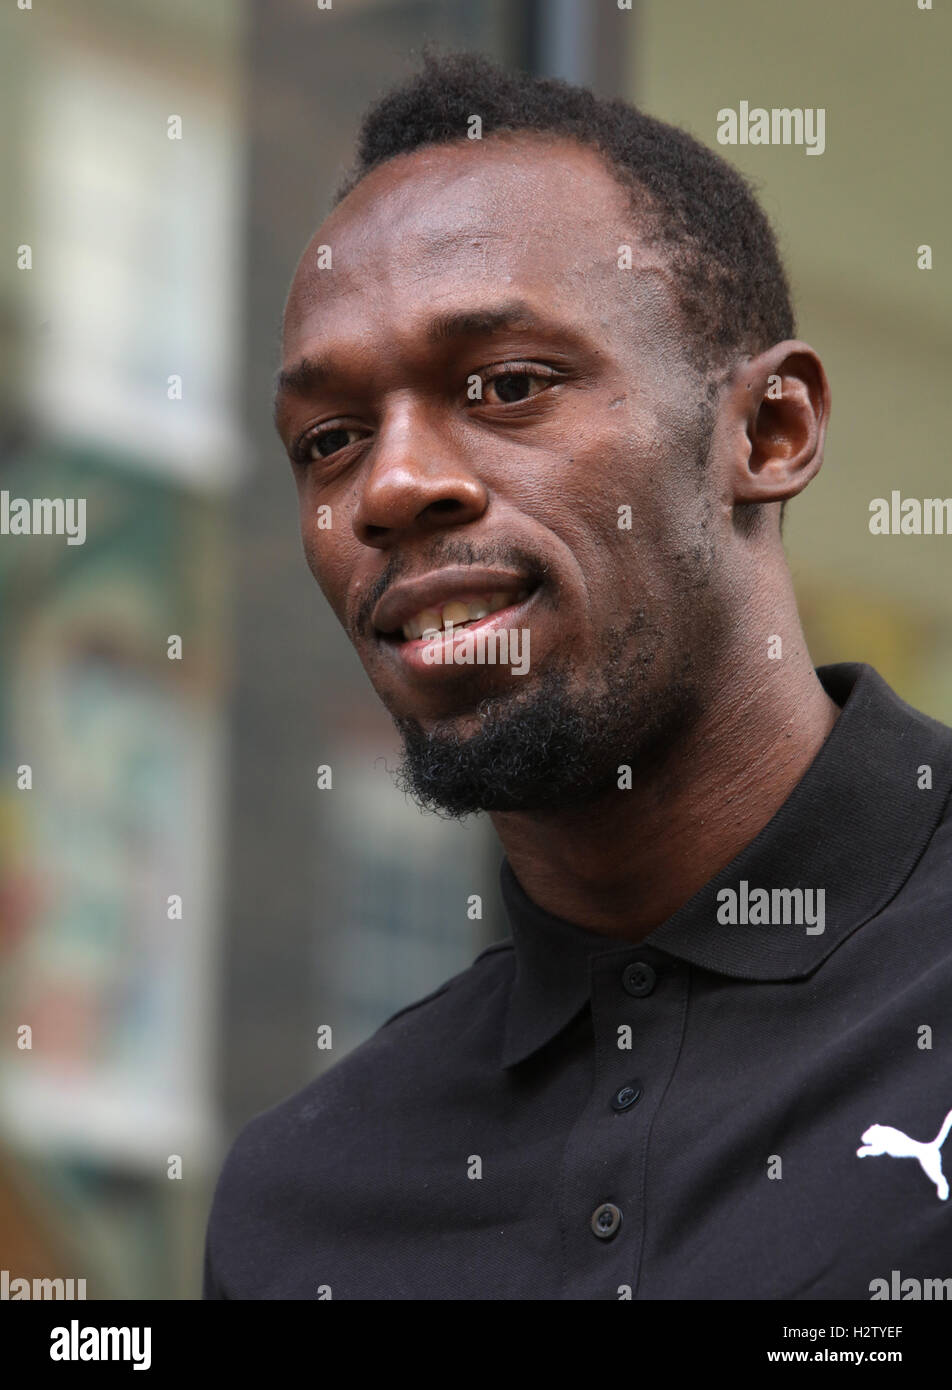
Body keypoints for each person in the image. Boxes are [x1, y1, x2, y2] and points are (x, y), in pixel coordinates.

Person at [203, 51, 952, 1300]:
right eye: (328, 441)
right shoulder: (302, 1208)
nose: (390, 487)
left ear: (767, 433)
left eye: (505, 386)